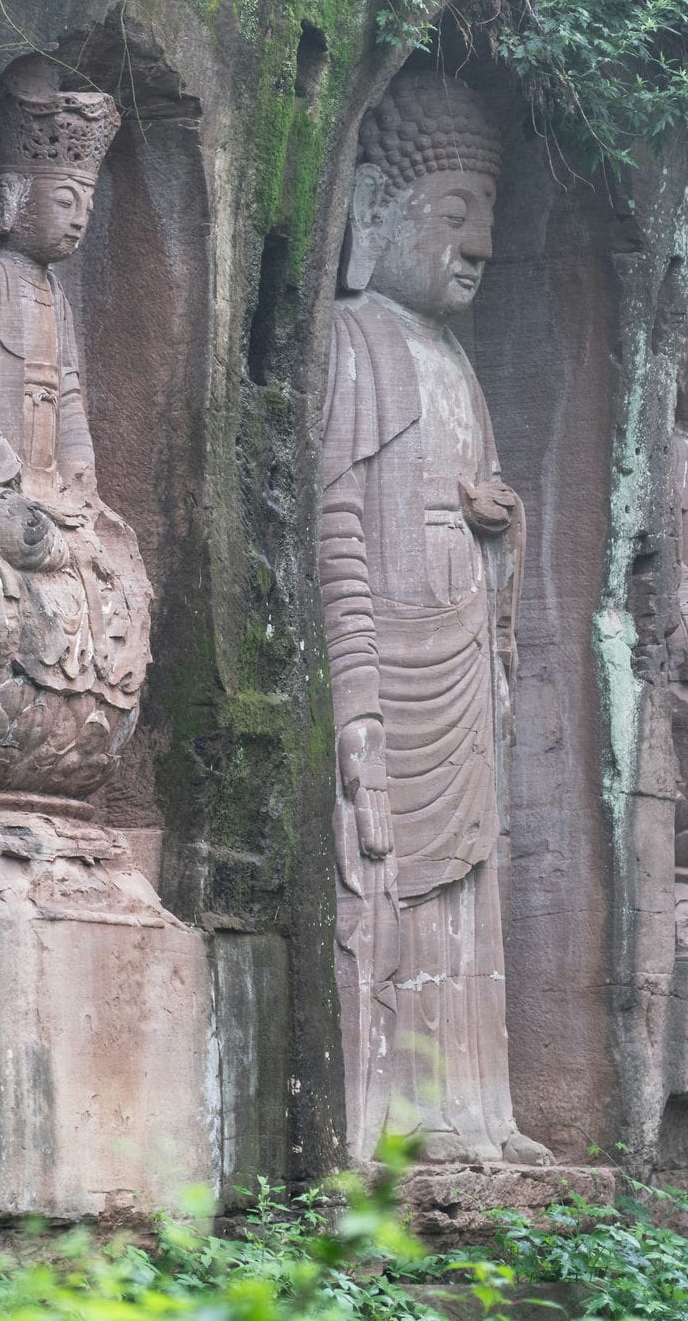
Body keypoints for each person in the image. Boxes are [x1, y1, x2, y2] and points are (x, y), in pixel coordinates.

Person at [320, 72, 552, 1164]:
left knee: (470, 896)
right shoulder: (355, 341)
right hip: (395, 664)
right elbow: (335, 523)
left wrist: (498, 524)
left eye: (488, 222)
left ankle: (477, 1112)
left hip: (462, 657)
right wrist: (357, 696)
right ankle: (397, 1119)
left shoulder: (457, 360)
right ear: (382, 211)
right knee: (391, 888)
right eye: (456, 214)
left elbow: (478, 498)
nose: (480, 246)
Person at [0, 60, 151, 801]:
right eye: (64, 199)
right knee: (16, 579)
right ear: (8, 196)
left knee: (110, 583)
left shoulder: (55, 299)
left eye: (87, 204)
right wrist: (2, 486)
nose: (79, 218)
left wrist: (81, 490)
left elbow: (68, 408)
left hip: (51, 498)